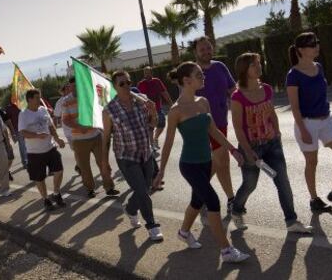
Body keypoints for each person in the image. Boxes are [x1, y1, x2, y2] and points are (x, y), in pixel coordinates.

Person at [155, 62, 249, 262]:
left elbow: (213, 130)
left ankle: (183, 232)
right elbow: (168, 143)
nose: (203, 77)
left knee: (197, 201)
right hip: (189, 165)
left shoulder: (203, 102)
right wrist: (161, 171)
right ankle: (226, 251)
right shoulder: (175, 111)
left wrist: (232, 150)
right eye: (199, 75)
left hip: (207, 161)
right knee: (212, 201)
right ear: (187, 81)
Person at [230, 53, 313, 233]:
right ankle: (236, 210)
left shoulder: (266, 89)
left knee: (282, 181)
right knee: (250, 184)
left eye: (260, 62)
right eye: (254, 64)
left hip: (272, 144)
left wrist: (278, 134)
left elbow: (271, 114)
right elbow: (237, 128)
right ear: (245, 69)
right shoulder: (237, 97)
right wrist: (247, 150)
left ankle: (291, 221)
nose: (259, 66)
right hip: (251, 149)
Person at [102, 70, 163, 241]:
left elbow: (153, 124)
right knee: (142, 191)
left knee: (146, 188)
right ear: (115, 86)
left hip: (145, 152)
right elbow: (106, 138)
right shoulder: (109, 110)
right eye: (122, 83)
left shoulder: (142, 100)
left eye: (128, 82)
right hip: (126, 157)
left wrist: (153, 111)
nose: (127, 86)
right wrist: (104, 162)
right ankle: (152, 225)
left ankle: (130, 209)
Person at [286, 32, 332, 211]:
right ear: (301, 50)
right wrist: (303, 130)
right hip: (307, 123)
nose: (317, 46)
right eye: (312, 44)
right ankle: (314, 199)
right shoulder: (293, 75)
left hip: (326, 120)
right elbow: (294, 107)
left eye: (317, 42)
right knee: (312, 162)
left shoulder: (319, 67)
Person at [194, 36, 236, 211]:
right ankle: (231, 199)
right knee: (222, 161)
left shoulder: (220, 67)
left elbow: (232, 91)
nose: (206, 51)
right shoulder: (192, 72)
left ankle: (199, 194)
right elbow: (186, 98)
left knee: (216, 162)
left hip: (221, 122)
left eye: (208, 48)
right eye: (202, 49)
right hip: (201, 125)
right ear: (195, 52)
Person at [63, 77, 119, 198]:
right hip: (79, 140)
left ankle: (109, 188)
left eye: (77, 84)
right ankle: (89, 189)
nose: (75, 87)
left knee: (103, 163)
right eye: (73, 85)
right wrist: (79, 126)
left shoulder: (89, 96)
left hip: (96, 136)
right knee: (84, 167)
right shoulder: (66, 101)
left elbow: (99, 111)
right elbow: (65, 120)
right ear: (69, 87)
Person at [18, 89, 66, 211]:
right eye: (37, 98)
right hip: (35, 152)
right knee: (39, 178)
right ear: (29, 99)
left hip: (50, 147)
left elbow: (50, 126)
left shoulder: (43, 110)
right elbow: (23, 132)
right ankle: (45, 199)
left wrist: (57, 138)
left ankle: (56, 193)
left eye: (40, 97)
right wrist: (37, 135)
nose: (40, 100)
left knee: (59, 171)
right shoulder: (23, 114)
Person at [137, 66, 173, 150]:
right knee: (150, 127)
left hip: (158, 108)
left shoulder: (157, 81)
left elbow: (164, 93)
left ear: (151, 73)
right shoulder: (141, 84)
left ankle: (155, 138)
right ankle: (152, 145)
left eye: (148, 72)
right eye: (145, 72)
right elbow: (138, 97)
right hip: (147, 110)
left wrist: (171, 104)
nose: (147, 74)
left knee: (162, 124)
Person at [53, 83, 79, 174]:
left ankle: (79, 165)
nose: (69, 89)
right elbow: (56, 116)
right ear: (63, 91)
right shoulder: (60, 102)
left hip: (80, 130)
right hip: (69, 132)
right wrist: (54, 131)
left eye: (69, 87)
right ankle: (79, 165)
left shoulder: (77, 97)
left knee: (80, 150)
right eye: (66, 88)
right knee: (77, 150)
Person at [6, 102, 28, 169]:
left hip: (26, 127)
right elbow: (8, 121)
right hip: (17, 129)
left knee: (28, 145)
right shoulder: (9, 108)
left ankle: (29, 160)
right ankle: (25, 162)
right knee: (22, 146)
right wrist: (12, 133)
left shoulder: (22, 104)